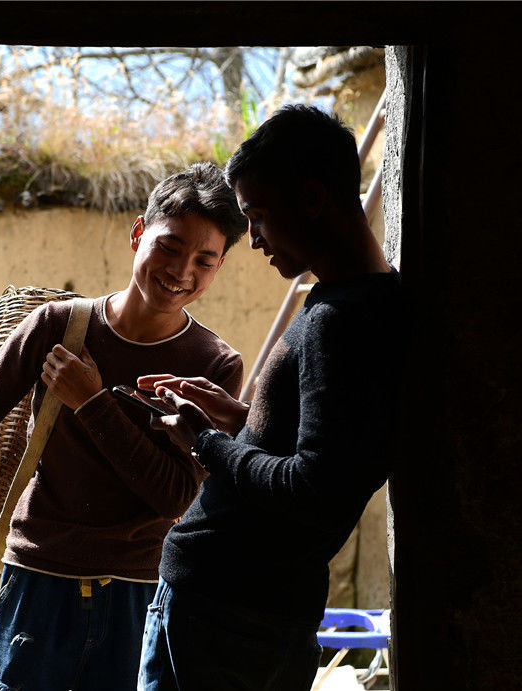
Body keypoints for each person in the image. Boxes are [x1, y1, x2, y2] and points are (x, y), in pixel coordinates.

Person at [0, 162, 248, 690]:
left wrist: (92, 402)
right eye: (169, 246)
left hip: (137, 594)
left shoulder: (214, 365)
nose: (181, 271)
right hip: (38, 582)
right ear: (138, 233)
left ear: (218, 266)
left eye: (204, 260)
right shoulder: (60, 326)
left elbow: (173, 496)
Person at [135, 105, 402, 690]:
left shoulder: (340, 320)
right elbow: (327, 448)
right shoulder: (369, 301)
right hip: (259, 609)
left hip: (225, 611)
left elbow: (312, 488)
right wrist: (243, 418)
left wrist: (203, 441)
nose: (252, 240)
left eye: (257, 215)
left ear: (312, 198)